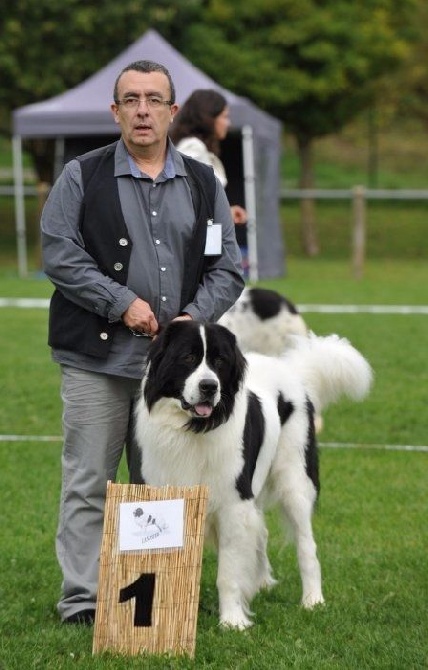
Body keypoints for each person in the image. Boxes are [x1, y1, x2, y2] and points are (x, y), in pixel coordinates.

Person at [41, 60, 244, 625]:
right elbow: (59, 253)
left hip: (171, 374)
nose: (142, 110)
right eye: (130, 99)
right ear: (115, 111)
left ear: (173, 112)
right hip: (96, 360)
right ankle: (83, 599)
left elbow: (227, 267)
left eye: (155, 99)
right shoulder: (82, 175)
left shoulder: (204, 183)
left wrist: (190, 321)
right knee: (89, 480)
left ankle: (157, 600)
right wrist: (119, 302)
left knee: (161, 485)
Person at [169, 89, 249, 274]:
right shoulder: (192, 148)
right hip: (197, 241)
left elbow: (203, 199)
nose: (228, 123)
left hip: (207, 237)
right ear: (208, 117)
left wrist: (225, 212)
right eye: (225, 116)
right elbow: (186, 197)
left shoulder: (199, 149)